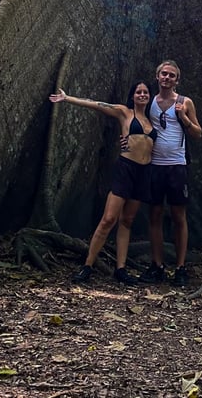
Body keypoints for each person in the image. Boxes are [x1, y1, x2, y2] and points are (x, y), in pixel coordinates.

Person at [49, 80, 156, 286]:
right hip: (126, 169)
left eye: (145, 92)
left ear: (149, 96)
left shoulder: (152, 121)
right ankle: (88, 265)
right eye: (138, 92)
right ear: (133, 95)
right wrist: (68, 98)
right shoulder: (124, 112)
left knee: (127, 221)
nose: (142, 95)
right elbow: (97, 104)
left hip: (145, 173)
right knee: (108, 219)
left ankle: (121, 269)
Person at [140, 60, 202, 287]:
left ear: (177, 80)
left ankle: (180, 267)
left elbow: (198, 133)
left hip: (177, 166)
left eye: (171, 76)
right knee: (154, 215)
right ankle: (157, 266)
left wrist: (184, 118)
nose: (167, 78)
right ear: (157, 77)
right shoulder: (150, 102)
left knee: (179, 217)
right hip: (154, 165)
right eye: (164, 74)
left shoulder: (185, 102)